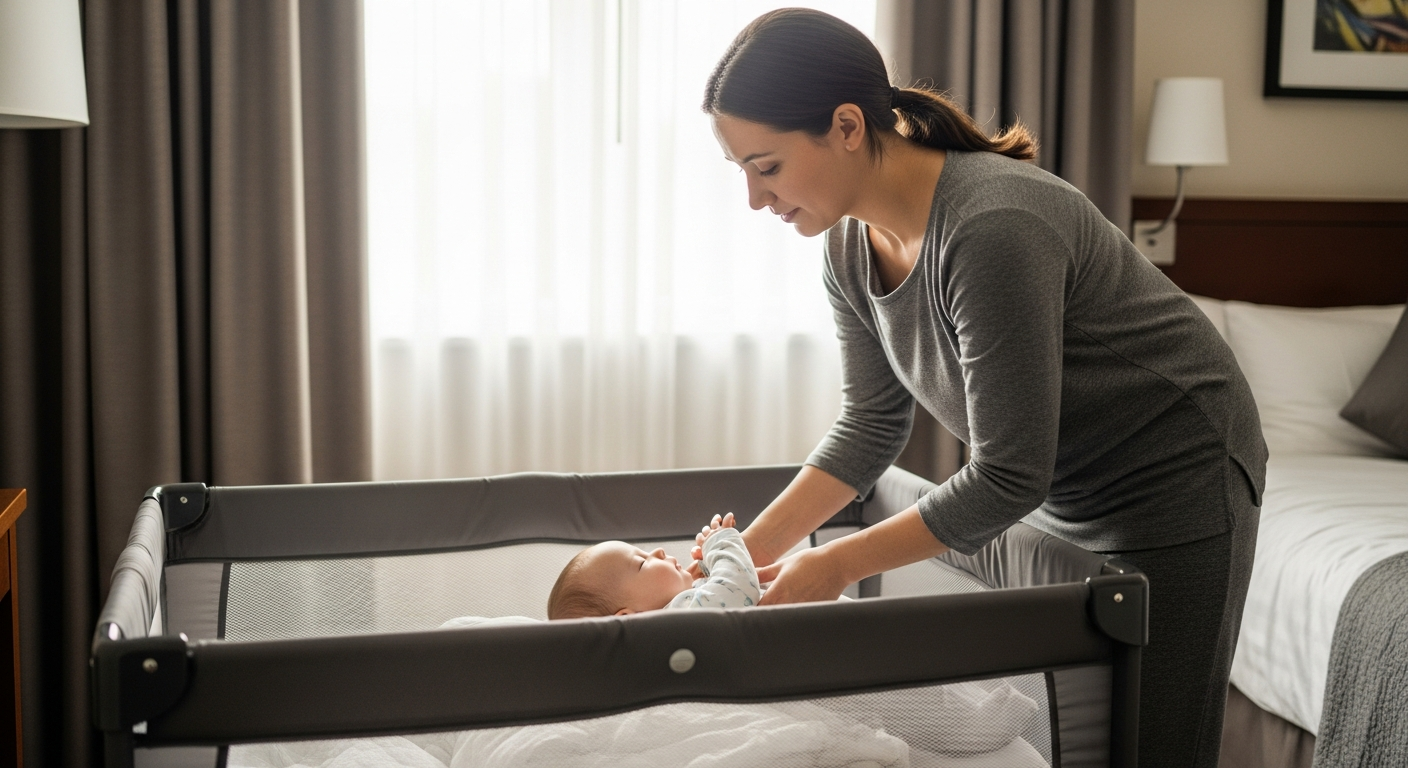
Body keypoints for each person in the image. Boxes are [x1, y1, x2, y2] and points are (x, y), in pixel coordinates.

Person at [701, 9, 1266, 768]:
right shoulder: (847, 245)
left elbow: (1007, 474)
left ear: (844, 125)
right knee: (1073, 734)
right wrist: (743, 554)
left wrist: (833, 565)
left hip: (1174, 473)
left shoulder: (992, 225)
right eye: (740, 171)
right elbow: (870, 426)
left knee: (1150, 743)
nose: (753, 199)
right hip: (1065, 482)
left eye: (765, 167)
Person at [547, 513, 761, 619]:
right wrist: (722, 544)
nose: (658, 551)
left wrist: (708, 570)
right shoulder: (676, 618)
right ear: (628, 619)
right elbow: (740, 588)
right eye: (641, 563)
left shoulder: (684, 613)